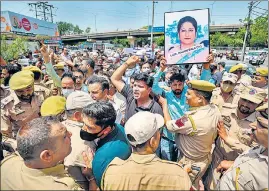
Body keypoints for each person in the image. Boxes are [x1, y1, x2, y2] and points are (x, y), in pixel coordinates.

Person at [101, 111, 192, 190]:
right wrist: (183, 174)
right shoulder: (178, 174)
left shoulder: (111, 171)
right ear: (152, 142)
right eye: (158, 132)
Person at [205, 85, 267, 190]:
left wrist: (228, 139)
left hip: (238, 168)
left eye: (251, 102)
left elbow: (258, 153)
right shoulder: (225, 109)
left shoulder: (261, 125)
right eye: (244, 99)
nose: (245, 104)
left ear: (260, 104)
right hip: (215, 161)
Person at [163, 80, 222, 187]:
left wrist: (164, 105)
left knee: (186, 186)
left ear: (200, 99)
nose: (185, 95)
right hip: (203, 157)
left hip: (190, 164)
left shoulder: (191, 120)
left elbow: (169, 125)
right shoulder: (214, 109)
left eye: (189, 94)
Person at [0, 117, 82, 190]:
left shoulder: (8, 163)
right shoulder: (64, 187)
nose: (70, 134)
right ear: (47, 155)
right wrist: (91, 177)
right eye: (64, 136)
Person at [80, 101, 131, 188]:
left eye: (90, 127)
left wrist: (91, 176)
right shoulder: (118, 127)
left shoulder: (102, 157)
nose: (83, 128)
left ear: (106, 130)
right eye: (83, 123)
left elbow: (101, 187)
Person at [217, 105, 268, 190]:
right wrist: (236, 165)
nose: (252, 125)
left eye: (261, 124)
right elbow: (254, 154)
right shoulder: (263, 148)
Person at [152, 57, 189, 161]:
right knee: (166, 163)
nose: (177, 87)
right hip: (167, 137)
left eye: (180, 84)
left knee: (181, 164)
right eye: (174, 84)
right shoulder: (166, 95)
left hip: (184, 137)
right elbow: (153, 86)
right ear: (170, 85)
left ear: (183, 84)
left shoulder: (189, 94)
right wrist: (161, 69)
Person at [111, 56, 163, 122]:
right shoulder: (130, 94)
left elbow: (157, 132)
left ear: (149, 90)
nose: (135, 89)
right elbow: (114, 79)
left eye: (140, 87)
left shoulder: (155, 109)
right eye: (135, 85)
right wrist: (127, 63)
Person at [63, 91, 96, 190]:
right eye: (91, 112)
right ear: (78, 115)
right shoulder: (85, 140)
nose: (95, 114)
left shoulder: (59, 127)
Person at [1, 70, 43, 139]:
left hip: (41, 136)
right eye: (20, 91)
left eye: (28, 89)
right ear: (14, 90)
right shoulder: (6, 105)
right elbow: (5, 135)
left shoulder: (39, 97)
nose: (25, 94)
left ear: (33, 85)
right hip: (21, 140)